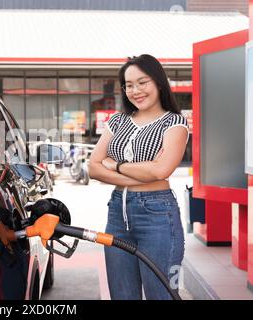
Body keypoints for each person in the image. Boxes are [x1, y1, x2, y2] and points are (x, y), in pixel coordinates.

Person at [89, 54, 189, 300]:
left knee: (161, 294)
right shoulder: (118, 121)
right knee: (122, 295)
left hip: (158, 217)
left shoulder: (174, 123)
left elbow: (160, 172)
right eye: (129, 85)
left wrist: (116, 166)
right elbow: (93, 167)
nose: (135, 90)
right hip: (117, 215)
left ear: (158, 82)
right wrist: (144, 174)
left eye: (142, 82)